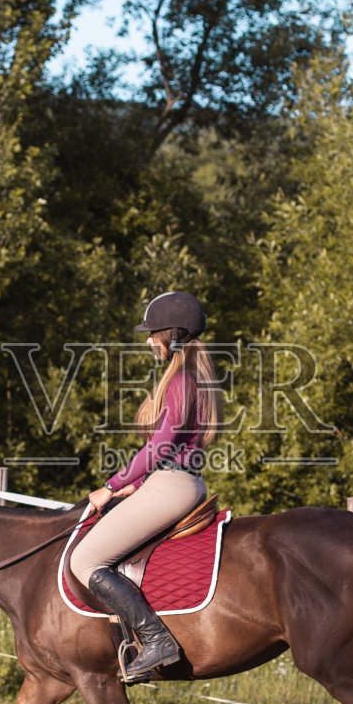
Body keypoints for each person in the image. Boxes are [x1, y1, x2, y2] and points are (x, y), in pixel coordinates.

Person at [69, 291, 223, 682]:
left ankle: (157, 640)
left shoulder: (182, 380)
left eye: (153, 333)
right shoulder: (194, 376)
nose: (149, 340)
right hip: (174, 481)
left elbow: (161, 446)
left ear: (171, 335)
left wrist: (111, 484)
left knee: (83, 561)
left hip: (172, 484)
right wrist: (135, 484)